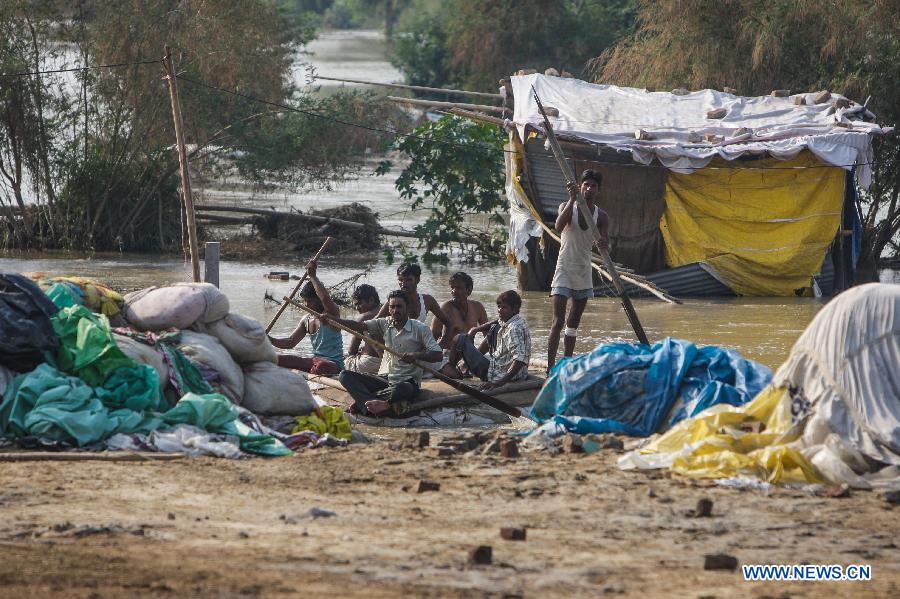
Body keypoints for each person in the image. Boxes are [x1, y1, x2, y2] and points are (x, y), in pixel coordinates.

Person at [334, 290, 442, 417]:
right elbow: (359, 326)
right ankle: (370, 404)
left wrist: (416, 356)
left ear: (407, 308)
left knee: (402, 389)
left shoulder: (420, 328)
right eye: (392, 307)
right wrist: (333, 319)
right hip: (385, 378)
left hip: (407, 381)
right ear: (389, 309)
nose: (395, 310)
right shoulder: (385, 323)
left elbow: (437, 355)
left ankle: (372, 403)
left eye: (399, 306)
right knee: (345, 375)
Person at [547, 169, 610, 371]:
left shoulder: (601, 216)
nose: (589, 188)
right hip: (564, 267)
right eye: (586, 185)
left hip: (583, 270)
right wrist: (572, 200)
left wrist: (602, 242)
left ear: (598, 190)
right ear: (580, 186)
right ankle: (550, 367)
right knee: (558, 322)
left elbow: (605, 242)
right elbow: (558, 226)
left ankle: (565, 363)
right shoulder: (566, 206)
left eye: (593, 186)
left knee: (573, 322)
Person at [267, 260, 344, 375]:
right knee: (277, 359)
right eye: (305, 301)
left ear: (318, 300)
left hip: (333, 364)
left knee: (321, 367)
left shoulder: (331, 314)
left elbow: (325, 299)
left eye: (310, 301)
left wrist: (313, 276)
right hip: (315, 360)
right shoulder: (306, 320)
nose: (307, 305)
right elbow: (290, 342)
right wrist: (269, 340)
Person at [445, 290, 531, 390]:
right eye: (499, 307)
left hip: (496, 374)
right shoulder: (517, 320)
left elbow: (519, 359)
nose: (499, 310)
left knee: (459, 338)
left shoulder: (514, 328)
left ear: (515, 308)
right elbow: (496, 322)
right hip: (509, 370)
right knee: (494, 328)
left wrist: (498, 383)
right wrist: (476, 329)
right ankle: (464, 366)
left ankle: (452, 369)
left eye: (504, 307)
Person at [375, 263, 453, 337]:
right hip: (396, 347)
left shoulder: (427, 301)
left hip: (418, 347)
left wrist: (442, 344)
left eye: (408, 280)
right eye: (400, 280)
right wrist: (379, 349)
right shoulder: (392, 304)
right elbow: (371, 326)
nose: (404, 284)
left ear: (417, 279)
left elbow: (449, 324)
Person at [344, 284, 383, 374]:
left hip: (370, 364)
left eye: (359, 304)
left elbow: (351, 351)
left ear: (371, 300)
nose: (357, 308)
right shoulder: (389, 313)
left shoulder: (364, 318)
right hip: (387, 362)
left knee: (346, 361)